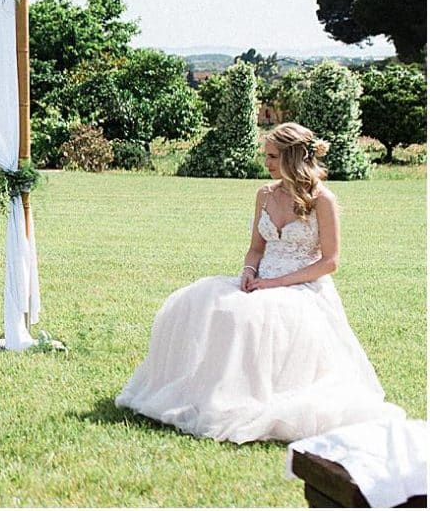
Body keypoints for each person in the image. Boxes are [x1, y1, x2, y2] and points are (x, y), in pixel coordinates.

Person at [115, 122, 406, 443]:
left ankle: (256, 398)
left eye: (271, 156)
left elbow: (330, 261)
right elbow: (256, 247)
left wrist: (277, 283)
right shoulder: (265, 194)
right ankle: (206, 395)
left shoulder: (322, 200)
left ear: (293, 157)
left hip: (303, 287)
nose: (265, 162)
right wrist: (249, 272)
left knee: (250, 318)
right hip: (261, 280)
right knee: (201, 304)